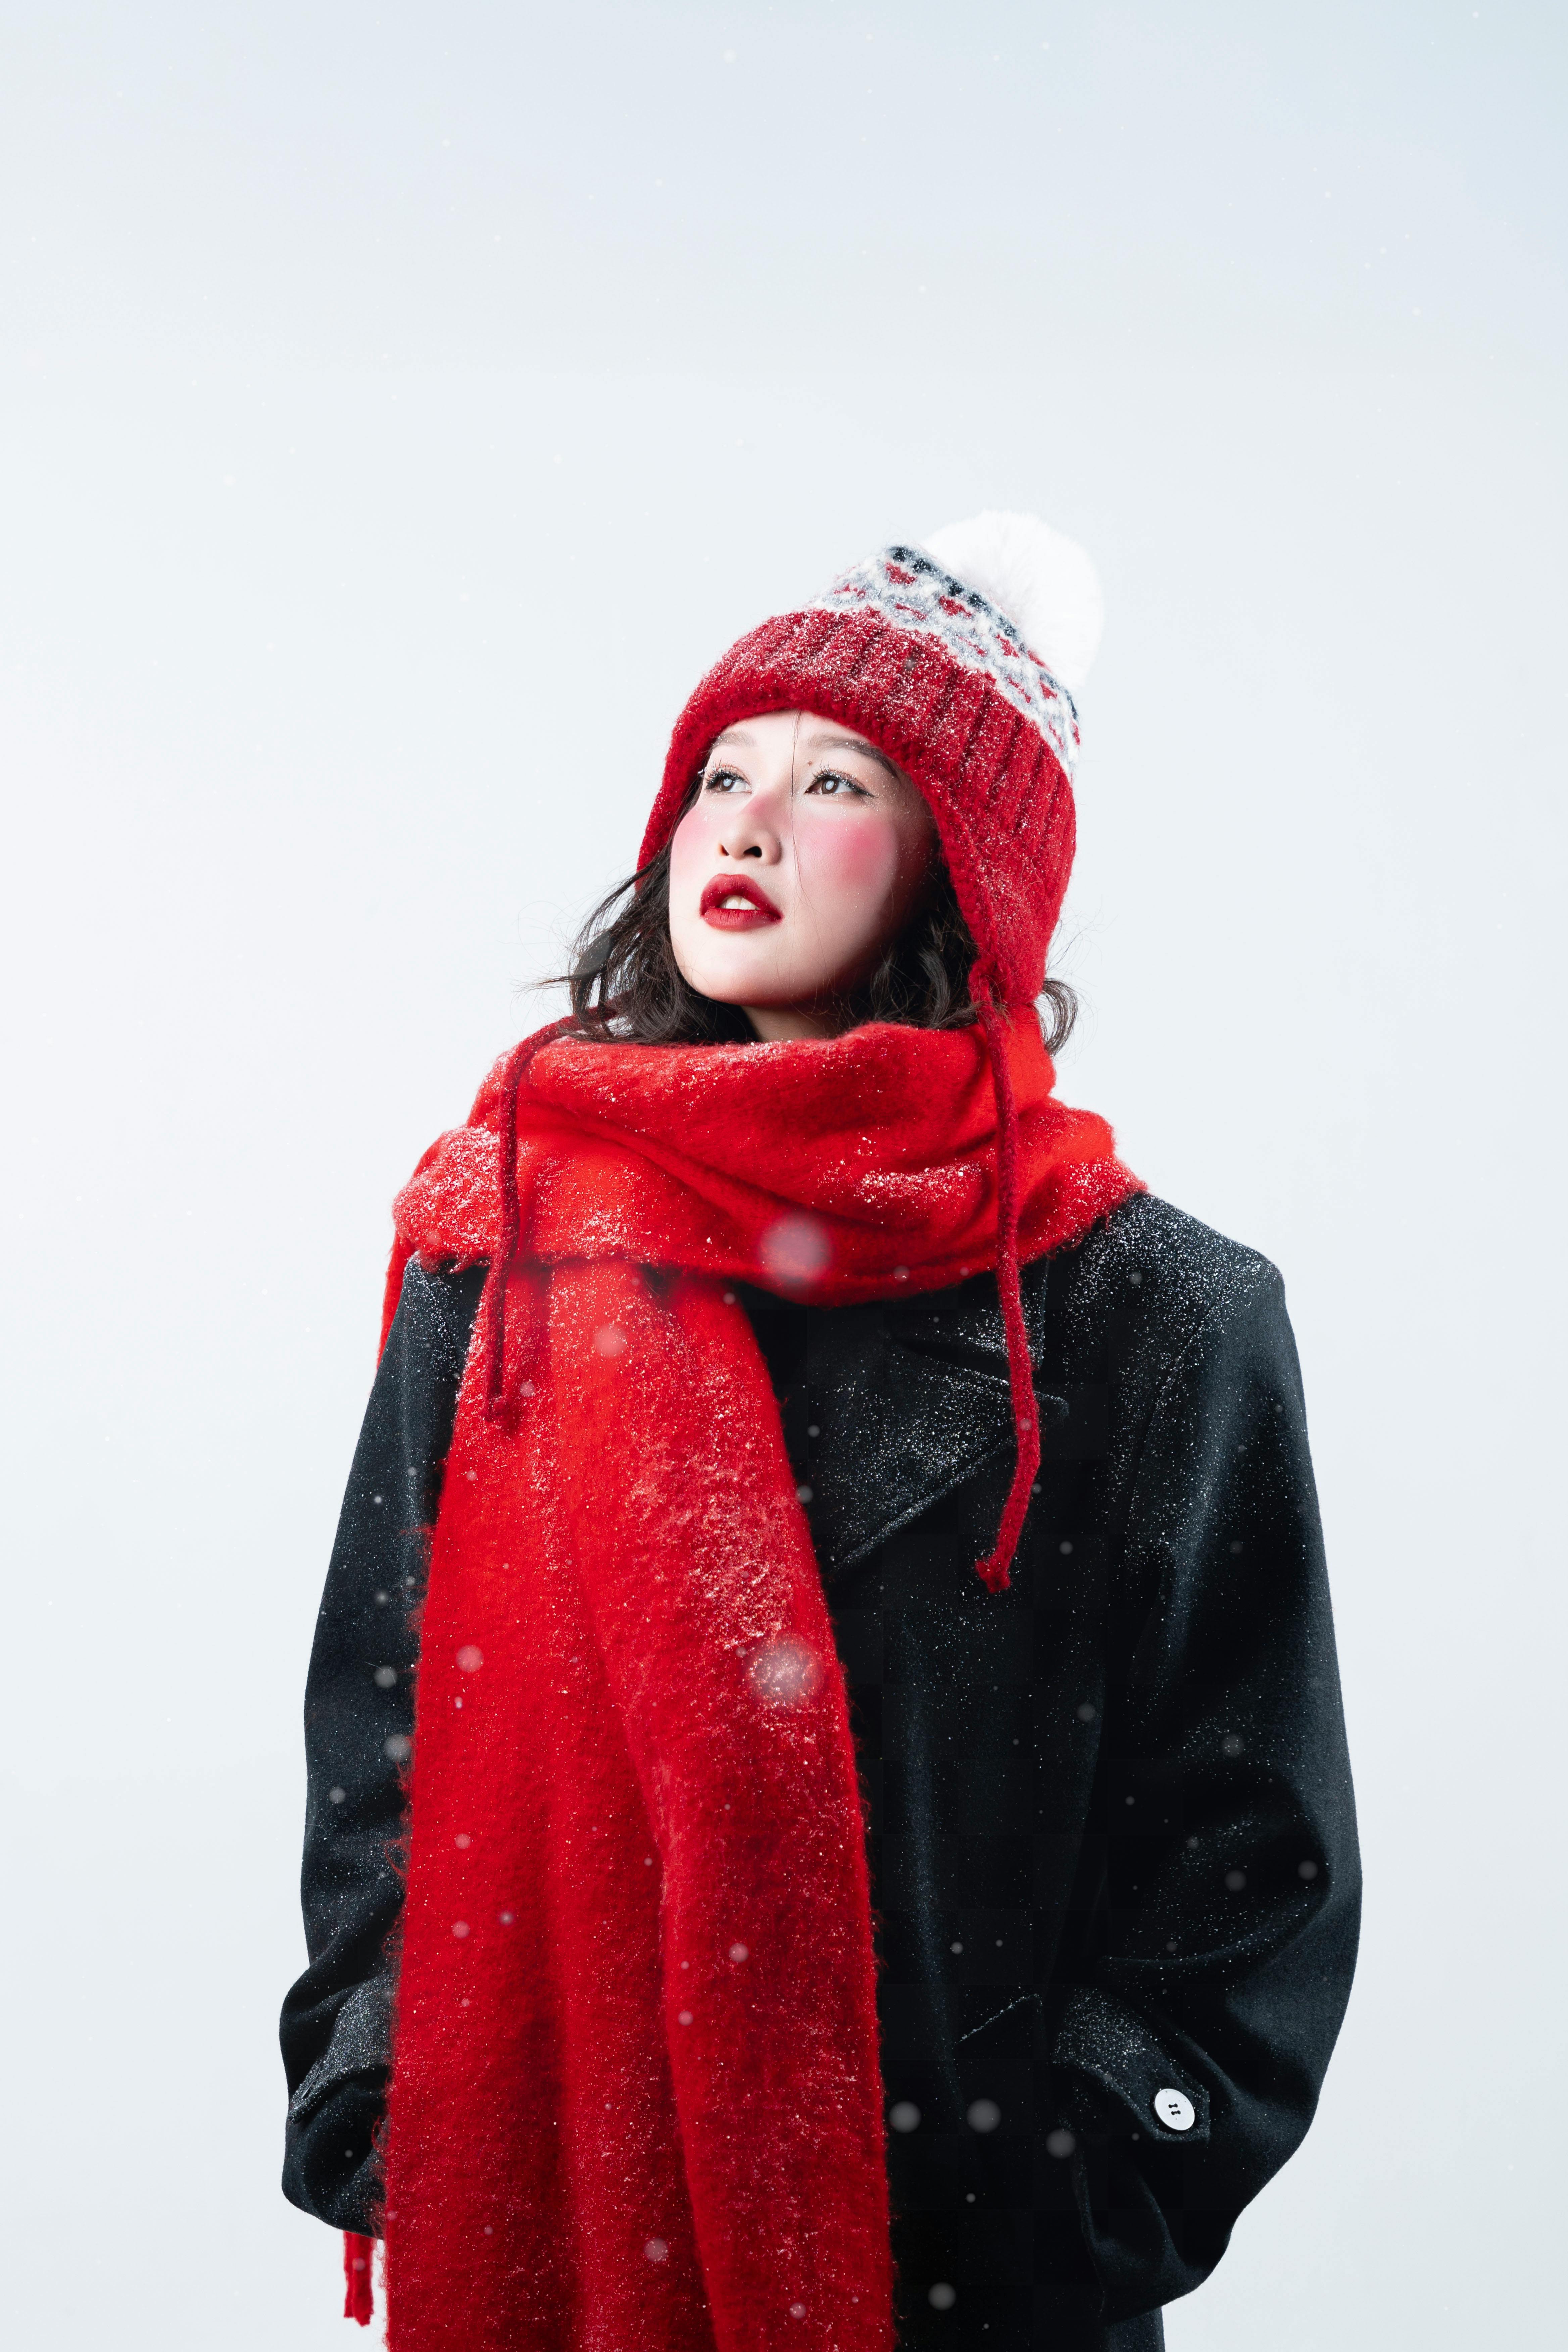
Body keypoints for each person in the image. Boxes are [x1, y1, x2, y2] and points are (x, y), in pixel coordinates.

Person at [279, 514, 1360, 2352]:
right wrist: (383, 2087)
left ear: (965, 871)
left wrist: (1063, 2197)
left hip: (959, 2287)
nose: (750, 825)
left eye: (837, 780)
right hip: (554, 2223)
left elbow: (1252, 1848)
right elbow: (386, 1726)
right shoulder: (507, 1244)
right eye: (720, 775)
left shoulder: (1147, 1313)